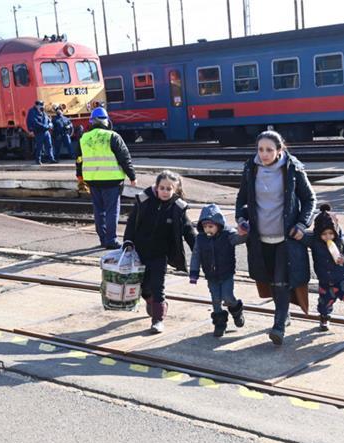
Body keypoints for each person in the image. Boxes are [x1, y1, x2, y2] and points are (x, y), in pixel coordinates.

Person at [236, 130, 316, 346]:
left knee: (281, 281)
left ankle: (279, 325)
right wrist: (241, 219)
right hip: (260, 238)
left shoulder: (292, 168)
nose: (264, 154)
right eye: (260, 149)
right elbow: (242, 199)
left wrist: (302, 224)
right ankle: (284, 313)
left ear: (280, 150)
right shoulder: (250, 168)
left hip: (286, 238)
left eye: (269, 150)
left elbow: (309, 199)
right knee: (270, 279)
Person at [123, 170, 195, 334]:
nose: (165, 192)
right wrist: (127, 241)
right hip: (139, 252)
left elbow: (188, 230)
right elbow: (132, 222)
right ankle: (150, 300)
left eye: (169, 189)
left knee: (158, 287)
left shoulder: (177, 208)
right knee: (142, 286)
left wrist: (198, 249)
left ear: (175, 190)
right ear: (156, 187)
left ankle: (158, 320)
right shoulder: (144, 200)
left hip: (160, 254)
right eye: (162, 188)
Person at [77, 107, 137, 250]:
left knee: (99, 210)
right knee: (111, 210)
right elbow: (124, 158)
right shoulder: (113, 136)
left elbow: (79, 160)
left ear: (91, 122)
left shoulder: (84, 138)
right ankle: (111, 240)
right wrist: (132, 176)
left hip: (92, 180)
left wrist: (80, 176)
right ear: (107, 121)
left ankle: (103, 239)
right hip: (112, 180)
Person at [188, 203, 248, 337]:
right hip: (211, 275)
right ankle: (220, 324)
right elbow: (196, 255)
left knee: (228, 297)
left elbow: (240, 238)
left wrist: (244, 231)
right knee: (215, 300)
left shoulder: (228, 235)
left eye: (211, 226)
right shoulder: (200, 239)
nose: (207, 229)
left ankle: (236, 310)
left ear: (218, 225)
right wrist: (194, 273)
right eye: (205, 227)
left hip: (226, 273)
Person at [300, 204, 344, 332]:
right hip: (324, 279)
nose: (328, 237)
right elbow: (304, 238)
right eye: (324, 234)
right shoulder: (315, 242)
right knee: (324, 301)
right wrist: (298, 235)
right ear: (318, 234)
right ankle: (324, 318)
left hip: (341, 275)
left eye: (331, 233)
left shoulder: (341, 241)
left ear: (335, 232)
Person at [26, 100, 55, 165]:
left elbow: (48, 119)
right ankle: (38, 160)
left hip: (46, 132)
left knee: (49, 145)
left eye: (42, 105)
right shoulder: (32, 112)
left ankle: (51, 159)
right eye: (41, 105)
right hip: (39, 132)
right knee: (39, 147)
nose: (42, 106)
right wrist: (46, 126)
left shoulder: (43, 111)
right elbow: (35, 122)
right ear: (36, 105)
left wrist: (50, 124)